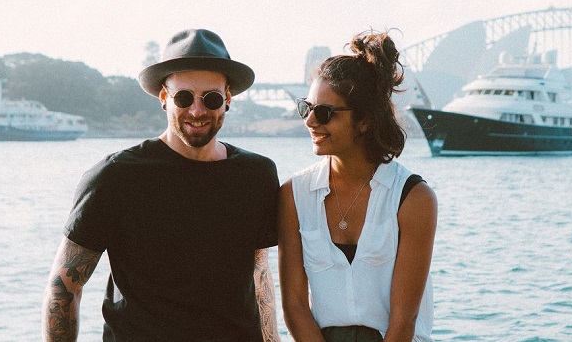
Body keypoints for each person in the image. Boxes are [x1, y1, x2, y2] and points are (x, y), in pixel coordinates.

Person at [42, 29, 281, 342]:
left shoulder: (256, 174)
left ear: (228, 100)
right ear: (164, 98)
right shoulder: (115, 177)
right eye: (184, 97)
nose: (198, 110)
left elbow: (259, 273)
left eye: (211, 98)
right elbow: (64, 288)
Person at [278, 30, 437, 342]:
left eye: (323, 112)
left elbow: (404, 321)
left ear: (364, 120)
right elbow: (294, 306)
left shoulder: (413, 198)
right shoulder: (293, 196)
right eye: (306, 108)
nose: (310, 121)